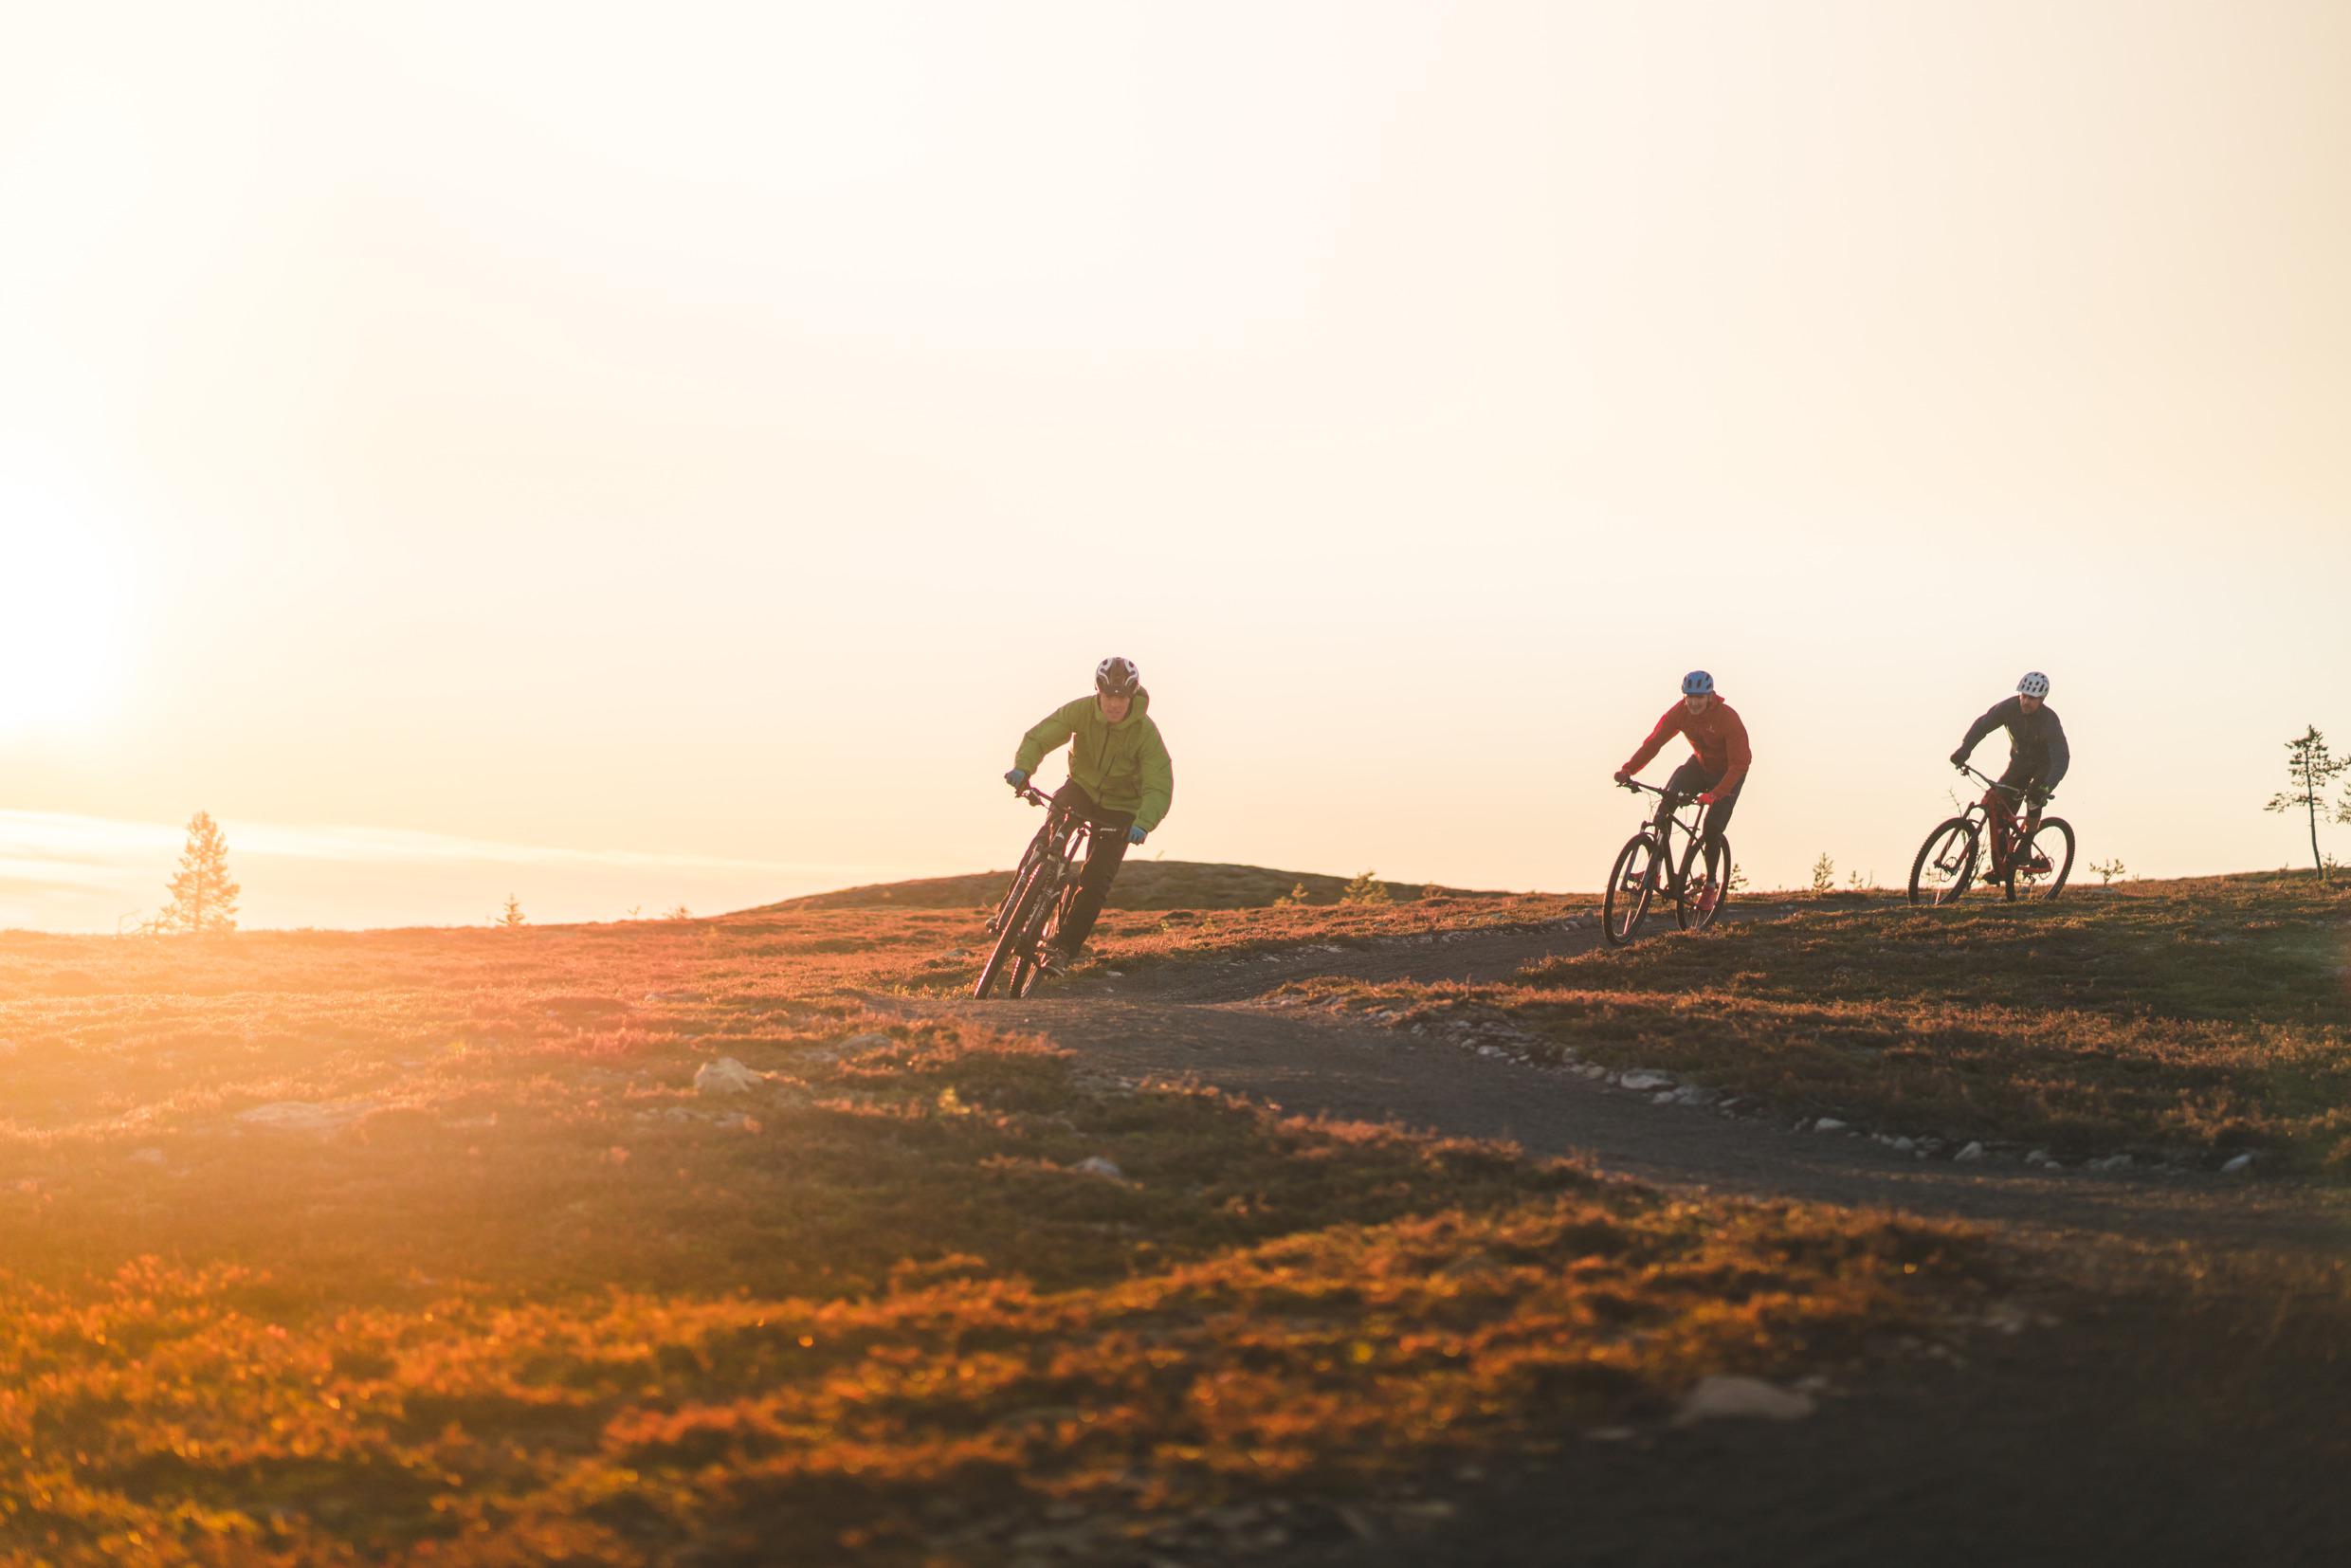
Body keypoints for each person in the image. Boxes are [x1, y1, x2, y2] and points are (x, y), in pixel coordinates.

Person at [1002, 656, 1174, 969]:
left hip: (1122, 808)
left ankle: (1063, 949)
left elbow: (1159, 782)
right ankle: (1014, 902)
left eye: (1121, 697)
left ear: (1132, 696)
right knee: (1053, 826)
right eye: (1109, 696)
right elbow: (1042, 736)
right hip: (1082, 788)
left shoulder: (1145, 733)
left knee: (1095, 880)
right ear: (1098, 693)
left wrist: (1143, 822)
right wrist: (1022, 768)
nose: (1114, 704)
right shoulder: (1080, 711)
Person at [1613, 670, 1752, 876]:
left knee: (1711, 828)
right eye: (1689, 697)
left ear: (1710, 696)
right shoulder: (1680, 713)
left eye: (1699, 698)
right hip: (1700, 766)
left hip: (1729, 773)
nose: (1694, 703)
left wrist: (1716, 794)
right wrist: (1628, 769)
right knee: (1664, 811)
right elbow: (1654, 742)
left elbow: (1739, 764)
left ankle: (1710, 885)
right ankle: (1654, 871)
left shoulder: (1727, 718)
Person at [1951, 671, 2069, 877]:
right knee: (1997, 807)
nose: (2025, 701)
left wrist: (2047, 785)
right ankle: (2003, 865)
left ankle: (2025, 846)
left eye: (2031, 698)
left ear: (2041, 700)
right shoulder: (2009, 708)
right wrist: (1964, 750)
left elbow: (2061, 758)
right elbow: (1982, 725)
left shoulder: (2049, 720)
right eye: (2023, 695)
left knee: (2033, 797)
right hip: (2020, 764)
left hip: (2045, 766)